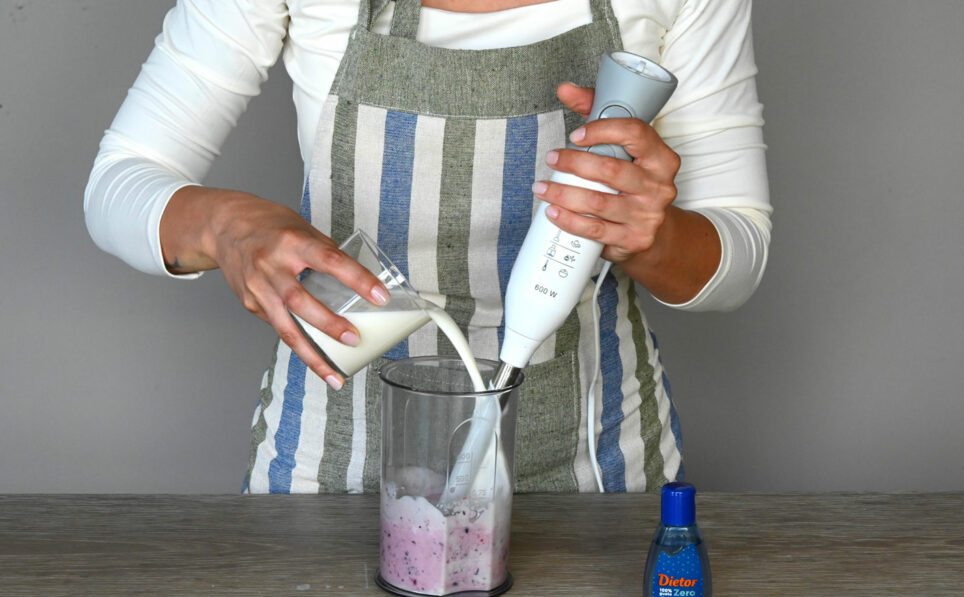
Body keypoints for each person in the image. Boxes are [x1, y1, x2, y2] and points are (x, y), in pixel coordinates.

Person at [85, 0, 771, 494]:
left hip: (594, 468)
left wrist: (653, 237)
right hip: (329, 469)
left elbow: (739, 252)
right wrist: (224, 226)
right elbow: (117, 186)